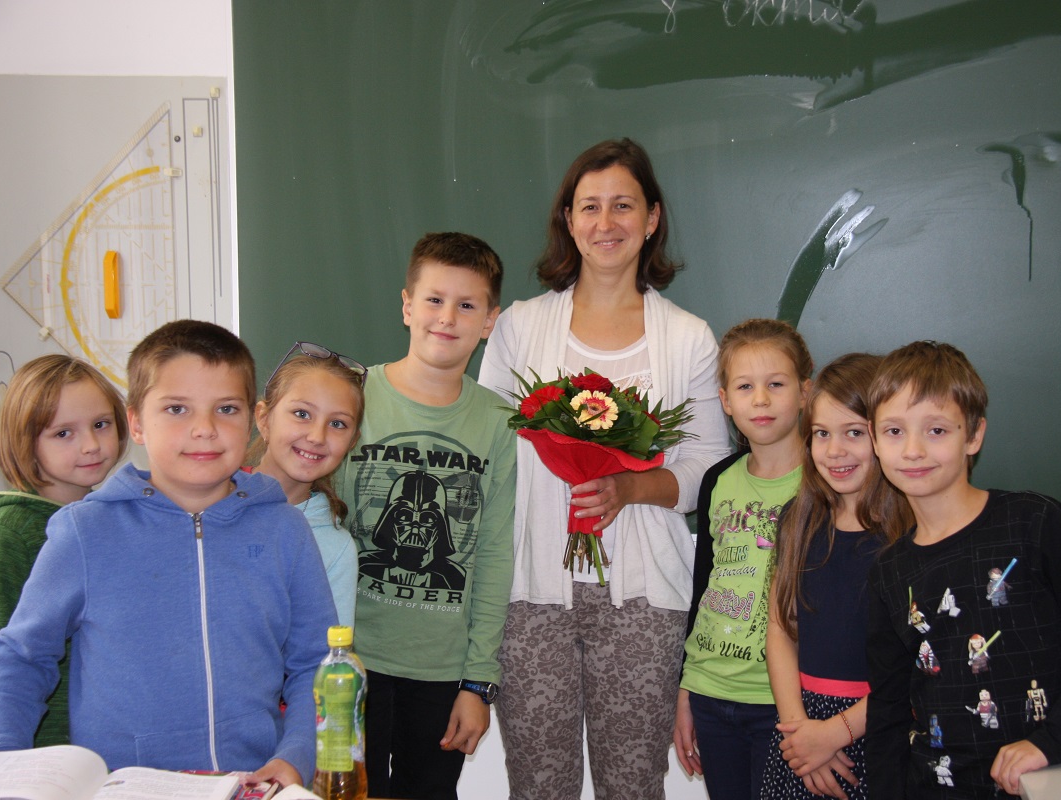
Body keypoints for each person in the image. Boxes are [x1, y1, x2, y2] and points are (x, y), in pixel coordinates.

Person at [478, 138, 732, 800]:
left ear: (652, 218)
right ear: (568, 220)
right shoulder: (519, 328)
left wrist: (631, 487)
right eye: (589, 206)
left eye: (624, 205)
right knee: (538, 787)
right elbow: (490, 455)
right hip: (532, 597)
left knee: (634, 787)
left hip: (644, 603)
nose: (606, 222)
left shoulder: (688, 337)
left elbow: (709, 466)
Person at [0, 320, 336, 788]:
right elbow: (22, 658)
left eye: (226, 409)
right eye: (177, 409)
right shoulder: (85, 532)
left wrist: (297, 755)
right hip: (124, 787)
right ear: (136, 422)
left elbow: (317, 663)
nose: (205, 429)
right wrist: (8, 772)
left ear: (251, 419)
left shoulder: (286, 531)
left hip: (254, 782)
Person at [864, 341, 1061, 798]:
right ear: (874, 440)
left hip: (1038, 784)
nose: (912, 450)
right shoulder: (888, 572)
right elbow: (888, 709)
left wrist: (1051, 741)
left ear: (973, 435)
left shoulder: (1033, 522)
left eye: (936, 430)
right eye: (894, 431)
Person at [334, 232, 515, 800]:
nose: (447, 317)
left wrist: (478, 683)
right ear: (407, 305)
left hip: (441, 672)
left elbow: (493, 552)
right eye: (434, 300)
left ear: (490, 320)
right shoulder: (351, 395)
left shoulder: (499, 422)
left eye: (467, 305)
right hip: (348, 661)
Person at [759, 353, 911, 800]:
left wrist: (834, 734)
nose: (834, 450)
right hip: (801, 730)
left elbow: (921, 663)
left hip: (880, 725)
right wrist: (800, 730)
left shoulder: (910, 534)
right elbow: (779, 629)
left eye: (854, 433)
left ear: (886, 435)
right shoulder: (799, 520)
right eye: (822, 433)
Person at [671, 319, 812, 800]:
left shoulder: (826, 482)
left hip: (786, 702)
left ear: (805, 391)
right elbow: (705, 587)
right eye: (745, 387)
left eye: (777, 384)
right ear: (725, 400)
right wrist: (687, 687)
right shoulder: (718, 480)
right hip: (711, 695)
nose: (761, 400)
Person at [0, 355, 128, 747]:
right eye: (63, 433)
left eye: (101, 424)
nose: (91, 445)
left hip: (109, 750)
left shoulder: (110, 521)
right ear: (25, 441)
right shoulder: (10, 534)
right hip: (41, 756)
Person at [249, 341, 366, 626]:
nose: (316, 436)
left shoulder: (335, 548)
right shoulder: (209, 505)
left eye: (337, 424)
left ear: (352, 442)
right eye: (302, 414)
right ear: (264, 419)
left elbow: (329, 648)